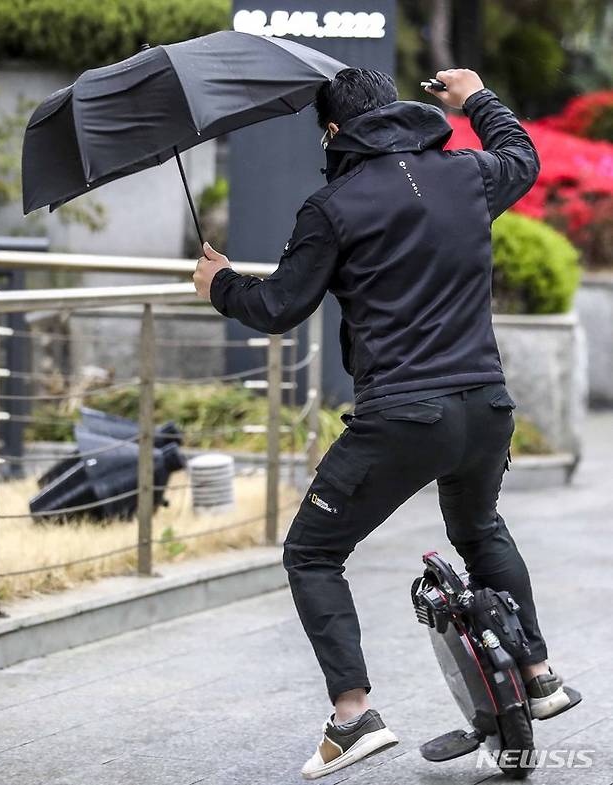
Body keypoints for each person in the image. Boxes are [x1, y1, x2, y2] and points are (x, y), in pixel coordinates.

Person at [193, 68, 571, 779]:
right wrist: (480, 98)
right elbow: (524, 157)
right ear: (396, 109)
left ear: (334, 132)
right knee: (480, 526)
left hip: (403, 414)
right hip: (487, 406)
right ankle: (541, 672)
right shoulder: (468, 174)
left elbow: (278, 306)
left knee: (311, 552)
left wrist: (220, 285)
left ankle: (352, 715)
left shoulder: (331, 206)